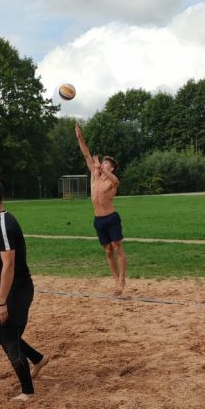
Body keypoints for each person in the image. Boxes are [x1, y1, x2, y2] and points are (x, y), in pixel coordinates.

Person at [0, 177, 48, 400]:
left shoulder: (3, 224)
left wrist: (1, 301)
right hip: (9, 288)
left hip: (17, 290)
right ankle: (38, 359)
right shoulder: (0, 221)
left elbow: (9, 265)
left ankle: (27, 391)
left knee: (9, 339)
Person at [75, 124, 127, 296]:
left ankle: (122, 279)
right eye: (103, 162)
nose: (102, 164)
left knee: (117, 248)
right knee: (108, 251)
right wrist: (80, 138)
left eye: (106, 164)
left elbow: (117, 181)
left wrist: (102, 168)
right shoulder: (94, 174)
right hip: (98, 220)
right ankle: (116, 282)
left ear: (111, 168)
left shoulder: (112, 181)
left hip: (111, 218)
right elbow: (86, 154)